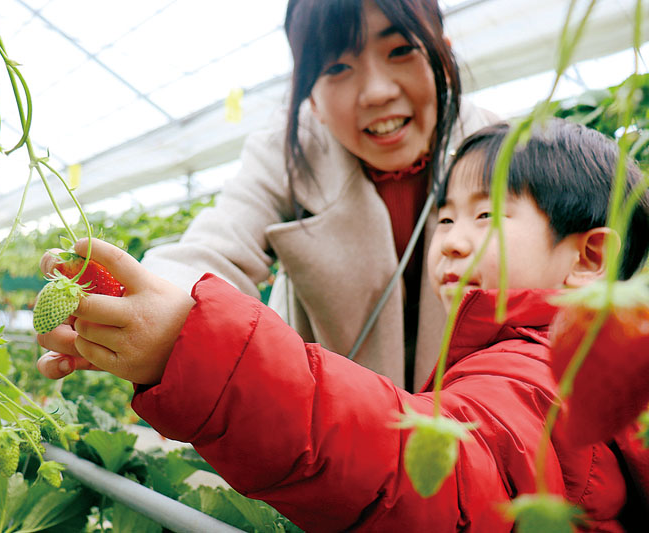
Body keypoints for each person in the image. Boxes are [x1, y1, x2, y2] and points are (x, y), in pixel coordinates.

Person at [37, 119, 649, 531]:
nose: (452, 243)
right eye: (444, 220)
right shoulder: (547, 359)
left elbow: (426, 469)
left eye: (486, 215)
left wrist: (194, 348)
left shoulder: (543, 374)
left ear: (589, 258)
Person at [36, 0, 499, 391]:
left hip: (477, 421)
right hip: (334, 427)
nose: (376, 92)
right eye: (337, 66)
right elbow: (214, 248)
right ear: (310, 97)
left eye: (401, 50)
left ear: (446, 56)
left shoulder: (504, 150)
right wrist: (144, 305)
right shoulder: (291, 152)